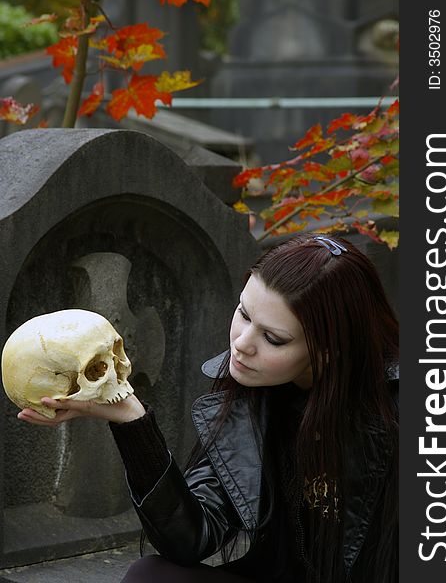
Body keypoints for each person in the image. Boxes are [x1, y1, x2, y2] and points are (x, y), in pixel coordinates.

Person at [18, 234, 399, 583]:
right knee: (151, 577)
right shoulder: (254, 394)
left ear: (328, 350)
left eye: (273, 338)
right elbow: (191, 538)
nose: (242, 344)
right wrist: (129, 417)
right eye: (244, 314)